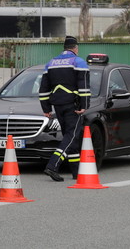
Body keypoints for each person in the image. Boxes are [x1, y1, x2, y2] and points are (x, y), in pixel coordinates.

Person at [39, 36, 90, 182]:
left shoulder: (51, 63)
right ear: (75, 48)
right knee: (72, 135)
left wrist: (46, 108)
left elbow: (43, 89)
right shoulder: (78, 62)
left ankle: (76, 173)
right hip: (73, 105)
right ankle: (52, 165)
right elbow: (84, 86)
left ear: (64, 47)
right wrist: (84, 105)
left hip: (57, 105)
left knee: (69, 138)